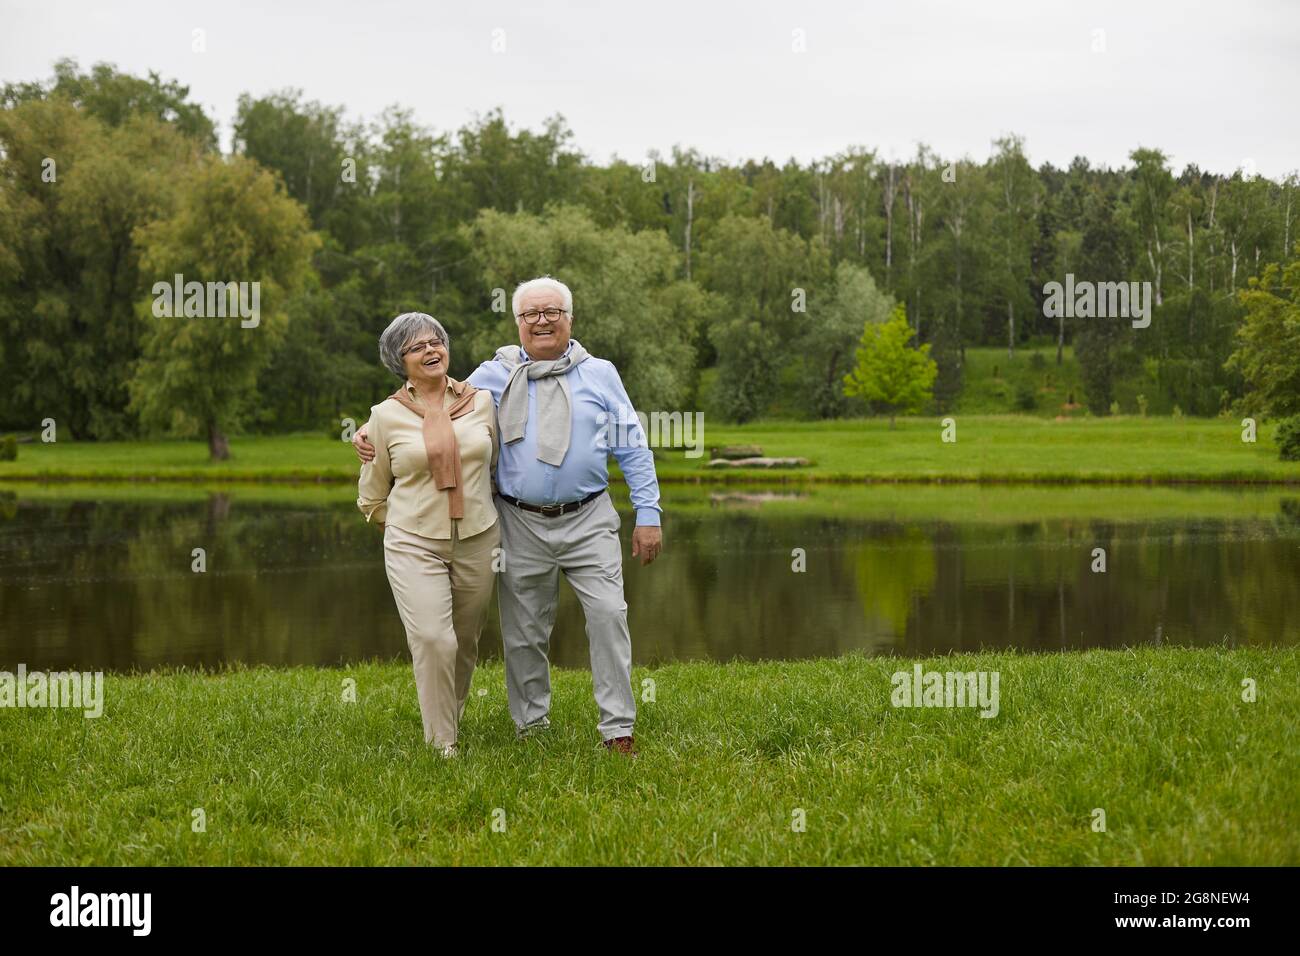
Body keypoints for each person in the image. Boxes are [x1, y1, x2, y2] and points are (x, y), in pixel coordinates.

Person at [354, 276, 662, 756]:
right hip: (518, 520)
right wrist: (366, 434)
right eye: (531, 314)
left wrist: (648, 513)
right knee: (523, 631)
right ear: (517, 322)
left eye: (552, 312)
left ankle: (617, 729)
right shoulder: (489, 378)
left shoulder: (601, 373)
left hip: (590, 517)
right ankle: (531, 728)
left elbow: (633, 446)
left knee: (608, 616)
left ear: (569, 319)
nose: (542, 321)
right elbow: (426, 401)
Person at [357, 312, 499, 758]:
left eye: (436, 341)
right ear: (399, 361)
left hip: (479, 538)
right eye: (417, 347)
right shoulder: (384, 416)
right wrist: (400, 531)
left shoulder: (482, 401)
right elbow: (372, 494)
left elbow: (496, 467)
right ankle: (443, 744)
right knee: (435, 639)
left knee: (464, 641)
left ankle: (447, 719)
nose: (431, 350)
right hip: (413, 542)